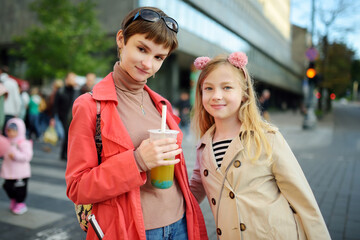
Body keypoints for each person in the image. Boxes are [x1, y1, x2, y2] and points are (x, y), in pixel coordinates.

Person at [65, 7, 207, 240]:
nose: (148, 64)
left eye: (159, 57)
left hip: (181, 222)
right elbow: (78, 187)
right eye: (142, 49)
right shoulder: (91, 106)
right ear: (121, 40)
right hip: (132, 230)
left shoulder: (162, 106)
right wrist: (137, 161)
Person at [189, 52, 331, 239]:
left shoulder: (267, 137)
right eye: (208, 88)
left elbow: (303, 199)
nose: (216, 96)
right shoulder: (204, 145)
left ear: (244, 94)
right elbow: (194, 190)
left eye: (227, 87)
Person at [0, 118, 33, 215]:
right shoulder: (6, 142)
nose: (11, 133)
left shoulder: (24, 143)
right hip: (9, 171)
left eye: (14, 131)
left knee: (20, 189)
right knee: (7, 186)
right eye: (9, 130)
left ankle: (20, 203)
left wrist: (16, 156)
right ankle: (14, 199)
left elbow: (28, 156)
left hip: (21, 173)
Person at [53, 72, 78, 160]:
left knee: (68, 135)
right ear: (66, 79)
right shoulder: (61, 90)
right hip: (62, 117)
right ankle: (64, 154)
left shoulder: (75, 91)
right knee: (66, 135)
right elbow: (55, 105)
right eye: (71, 78)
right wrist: (53, 118)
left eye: (74, 78)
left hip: (71, 116)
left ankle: (65, 153)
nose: (73, 80)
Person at [0, 66, 22, 134]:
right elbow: (17, 100)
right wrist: (17, 112)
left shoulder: (3, 82)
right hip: (10, 112)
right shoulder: (13, 82)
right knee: (8, 134)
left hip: (2, 112)